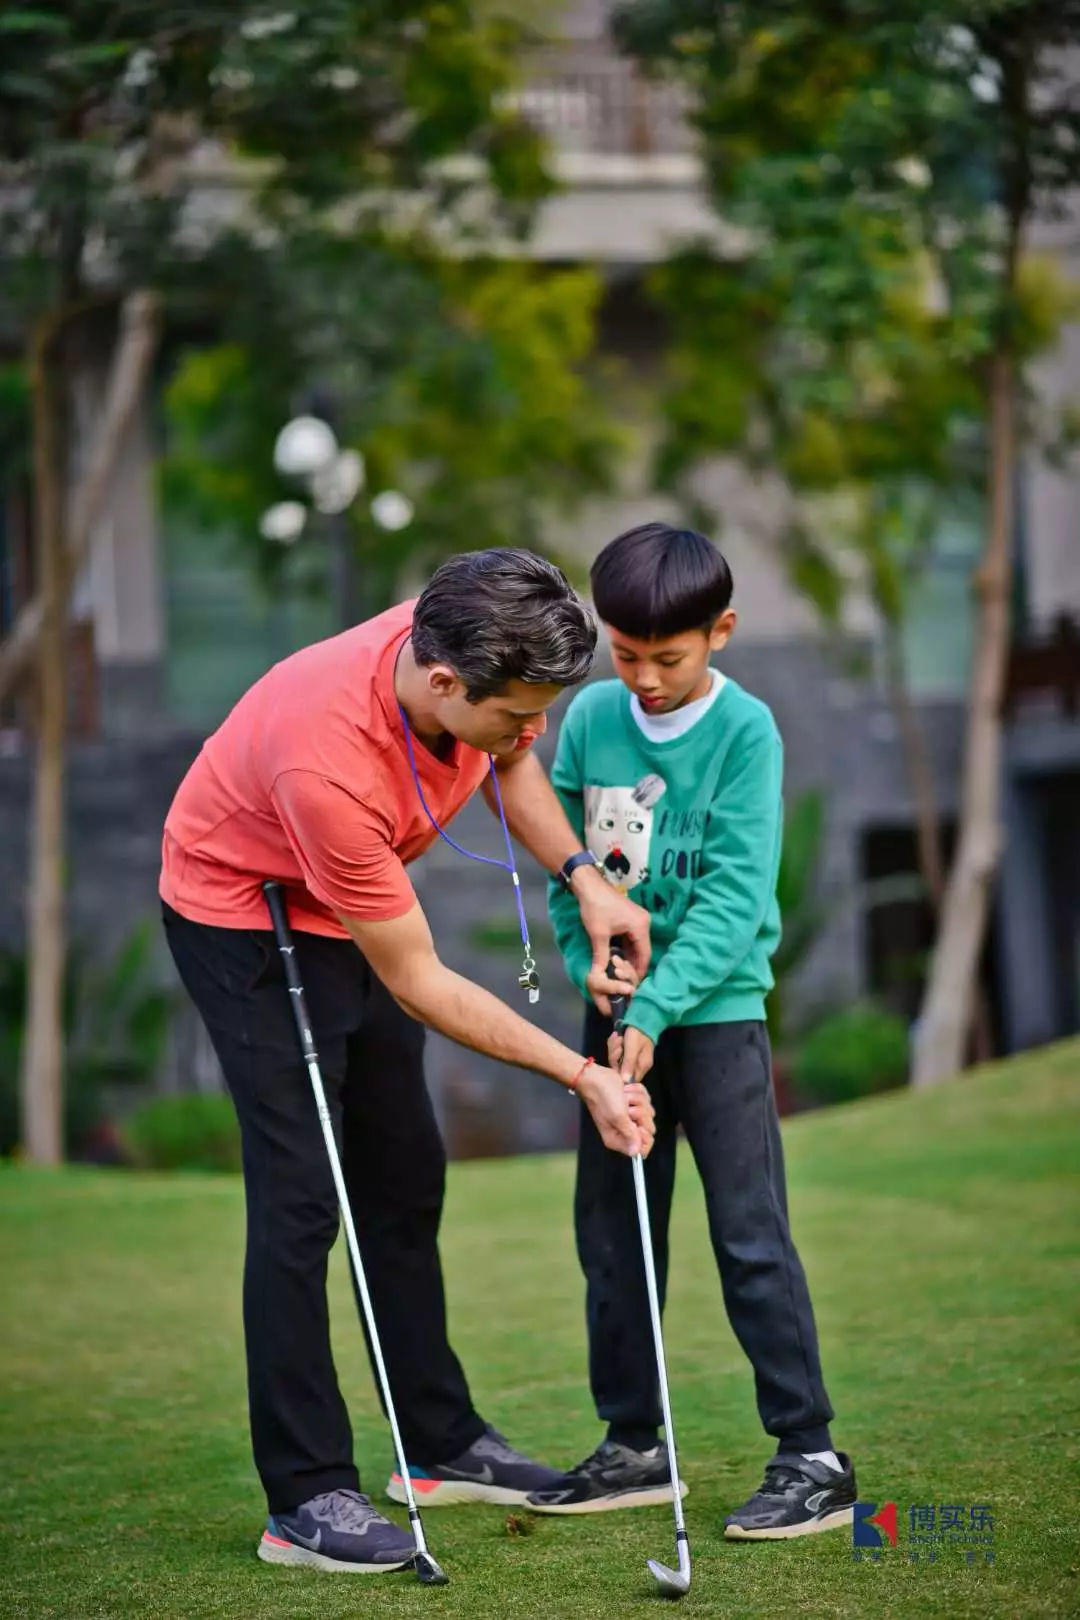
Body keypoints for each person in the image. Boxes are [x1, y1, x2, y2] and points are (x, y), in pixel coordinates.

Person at [160, 549, 656, 1574]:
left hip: (347, 907)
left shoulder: (465, 636)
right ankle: (304, 1498)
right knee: (304, 1197)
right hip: (243, 913)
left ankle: (438, 1445)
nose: (533, 734)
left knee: (405, 1170)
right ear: (442, 684)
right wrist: (583, 1075)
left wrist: (585, 877)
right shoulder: (326, 760)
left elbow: (507, 760)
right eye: (516, 712)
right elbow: (422, 979)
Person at [528, 522, 857, 1539]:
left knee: (748, 1234)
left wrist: (658, 1007)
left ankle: (811, 1454)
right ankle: (636, 1443)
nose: (645, 679)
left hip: (710, 1016)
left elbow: (733, 897)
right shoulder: (589, 717)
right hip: (613, 1018)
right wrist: (598, 984)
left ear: (721, 632)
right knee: (613, 1230)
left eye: (666, 658)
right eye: (625, 656)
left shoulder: (747, 732)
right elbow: (572, 875)